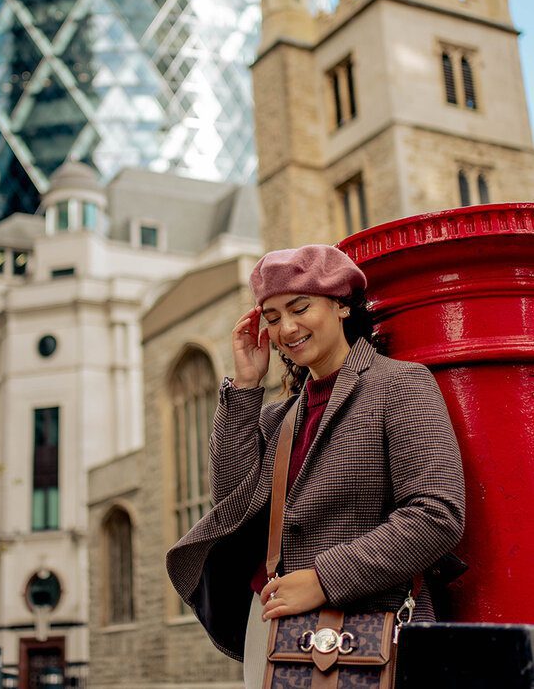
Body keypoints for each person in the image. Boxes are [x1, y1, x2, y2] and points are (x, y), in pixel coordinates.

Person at [166, 244, 465, 689]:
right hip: (272, 628)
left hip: (372, 629)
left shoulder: (399, 386)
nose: (286, 327)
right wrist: (247, 385)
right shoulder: (276, 417)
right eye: (271, 317)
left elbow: (436, 514)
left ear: (341, 304)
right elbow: (231, 505)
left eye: (300, 307)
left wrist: (324, 578)